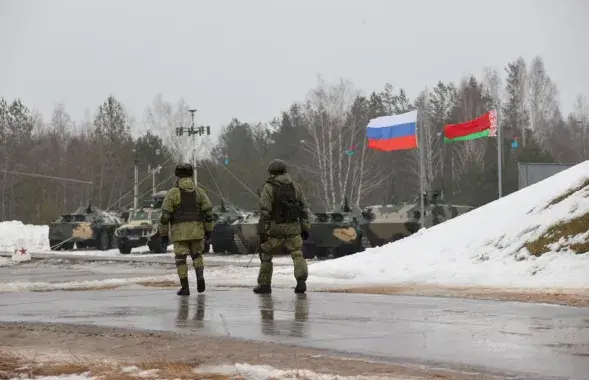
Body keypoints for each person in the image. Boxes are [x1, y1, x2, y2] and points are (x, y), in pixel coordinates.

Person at [254, 159, 311, 294]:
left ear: (272, 172)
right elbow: (304, 209)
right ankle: (301, 281)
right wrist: (305, 227)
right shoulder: (295, 186)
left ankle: (264, 285)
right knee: (297, 254)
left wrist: (262, 230)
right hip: (293, 227)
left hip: (276, 228)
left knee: (266, 254)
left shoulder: (269, 187)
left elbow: (264, 211)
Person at [158, 163, 214, 295]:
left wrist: (163, 233)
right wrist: (209, 229)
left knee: (181, 259)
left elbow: (165, 216)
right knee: (197, 256)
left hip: (179, 233)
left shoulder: (172, 193)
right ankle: (200, 278)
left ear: (177, 176)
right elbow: (209, 213)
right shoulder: (200, 192)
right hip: (197, 231)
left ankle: (185, 287)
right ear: (191, 175)